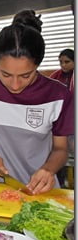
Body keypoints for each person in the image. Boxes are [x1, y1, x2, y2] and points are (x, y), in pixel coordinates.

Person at [0, 10, 74, 195]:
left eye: (25, 75)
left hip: (39, 191)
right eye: (5, 74)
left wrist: (49, 170)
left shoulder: (57, 94)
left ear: (37, 65)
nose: (14, 85)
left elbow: (61, 148)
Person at [49, 48, 74, 187]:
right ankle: (60, 184)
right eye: (61, 62)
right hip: (58, 122)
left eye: (67, 62)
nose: (63, 65)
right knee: (58, 154)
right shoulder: (55, 76)